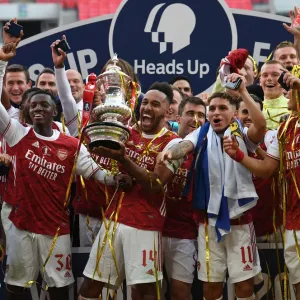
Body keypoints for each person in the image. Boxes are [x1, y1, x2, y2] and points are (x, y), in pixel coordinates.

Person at [0, 24, 116, 300]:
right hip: (21, 226)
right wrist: (2, 63)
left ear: (56, 112)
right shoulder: (17, 134)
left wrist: (121, 177)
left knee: (60, 289)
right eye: (33, 105)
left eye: (44, 105)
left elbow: (96, 173)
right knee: (16, 287)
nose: (38, 108)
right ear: (26, 111)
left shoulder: (70, 144)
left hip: (56, 230)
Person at [158, 73, 266, 300]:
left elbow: (261, 125)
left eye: (222, 108)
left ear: (234, 113)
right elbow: (186, 145)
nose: (216, 112)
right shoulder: (203, 132)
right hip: (208, 222)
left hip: (240, 222)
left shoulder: (243, 135)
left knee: (244, 287)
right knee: (210, 289)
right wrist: (170, 152)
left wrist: (243, 92)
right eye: (212, 108)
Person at [78, 82, 182, 300]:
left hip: (146, 224)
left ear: (168, 110)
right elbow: (103, 163)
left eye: (155, 104)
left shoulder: (174, 144)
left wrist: (124, 159)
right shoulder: (124, 134)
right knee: (90, 288)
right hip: (113, 220)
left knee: (145, 293)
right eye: (145, 103)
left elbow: (156, 184)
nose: (147, 108)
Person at [223, 71, 300, 299]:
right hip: (292, 223)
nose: (287, 95)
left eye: (292, 91)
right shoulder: (285, 131)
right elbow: (268, 168)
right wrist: (244, 151)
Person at [163, 96, 206, 300]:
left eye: (201, 116)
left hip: (185, 234)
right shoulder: (162, 142)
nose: (195, 119)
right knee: (148, 292)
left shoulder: (207, 152)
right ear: (178, 117)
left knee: (181, 293)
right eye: (190, 114)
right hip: (154, 228)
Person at [237, 96, 283, 242]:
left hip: (273, 229)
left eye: (255, 111)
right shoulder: (226, 141)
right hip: (238, 228)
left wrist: (254, 147)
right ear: (236, 114)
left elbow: (273, 171)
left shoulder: (274, 140)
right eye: (245, 111)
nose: (250, 116)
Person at [260, 60, 290, 129]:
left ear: (284, 79)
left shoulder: (295, 108)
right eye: (265, 75)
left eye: (275, 75)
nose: (269, 78)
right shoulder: (254, 109)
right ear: (260, 81)